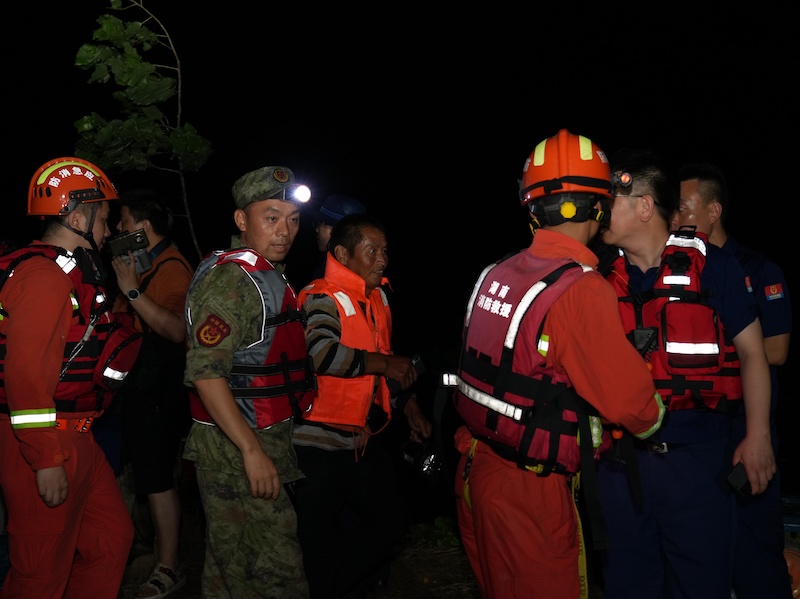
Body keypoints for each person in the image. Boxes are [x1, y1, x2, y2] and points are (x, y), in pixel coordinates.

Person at [442, 129, 665, 599]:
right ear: (599, 206)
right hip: (530, 498)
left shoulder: (497, 272)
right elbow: (635, 408)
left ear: (531, 207)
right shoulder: (581, 288)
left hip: (474, 473)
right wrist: (656, 412)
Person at [596, 148, 775, 599]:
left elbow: (753, 354)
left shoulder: (714, 266)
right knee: (628, 585)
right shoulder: (595, 278)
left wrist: (757, 436)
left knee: (701, 584)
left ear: (644, 207)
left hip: (699, 463)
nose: (598, 210)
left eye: (610, 201)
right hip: (620, 465)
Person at [0, 157, 137, 597]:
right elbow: (25, 374)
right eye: (105, 218)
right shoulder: (43, 278)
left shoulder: (72, 274)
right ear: (77, 219)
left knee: (111, 540)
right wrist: (44, 459)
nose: (110, 229)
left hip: (79, 436)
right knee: (39, 574)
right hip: (43, 441)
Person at [182, 165, 315, 598]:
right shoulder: (232, 282)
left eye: (293, 219)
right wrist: (251, 451)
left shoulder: (265, 272)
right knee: (278, 574)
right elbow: (205, 373)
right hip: (234, 449)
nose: (285, 231)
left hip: (257, 438)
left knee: (229, 569)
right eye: (271, 218)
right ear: (242, 220)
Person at [292, 212, 433, 598]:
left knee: (392, 522)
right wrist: (385, 365)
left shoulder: (377, 298)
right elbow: (320, 354)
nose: (382, 259)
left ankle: (334, 588)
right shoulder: (321, 296)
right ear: (342, 254)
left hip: (360, 439)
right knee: (320, 549)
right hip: (316, 445)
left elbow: (382, 359)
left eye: (385, 251)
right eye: (372, 251)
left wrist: (408, 406)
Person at [672, 162, 793, 599]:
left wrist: (717, 351)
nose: (674, 219)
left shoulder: (758, 270)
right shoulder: (679, 271)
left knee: (755, 545)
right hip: (701, 428)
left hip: (747, 424)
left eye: (683, 208)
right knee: (701, 546)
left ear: (713, 211)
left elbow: (775, 350)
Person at [110, 188, 195, 598]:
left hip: (159, 393)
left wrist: (131, 291)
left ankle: (169, 567)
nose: (117, 229)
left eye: (124, 222)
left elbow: (177, 330)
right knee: (140, 476)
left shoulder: (172, 267)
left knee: (158, 479)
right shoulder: (144, 264)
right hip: (138, 390)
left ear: (142, 228)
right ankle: (141, 553)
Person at [309, 193, 366, 280]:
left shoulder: (327, 275)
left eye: (322, 224)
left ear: (338, 231)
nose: (317, 229)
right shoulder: (366, 271)